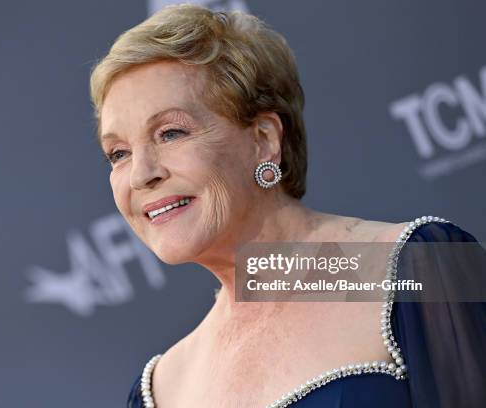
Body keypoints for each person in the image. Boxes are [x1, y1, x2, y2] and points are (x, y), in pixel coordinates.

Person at [89, 4, 486, 407]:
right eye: (118, 153)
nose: (142, 174)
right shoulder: (157, 390)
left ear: (263, 139)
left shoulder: (418, 269)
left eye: (170, 132)